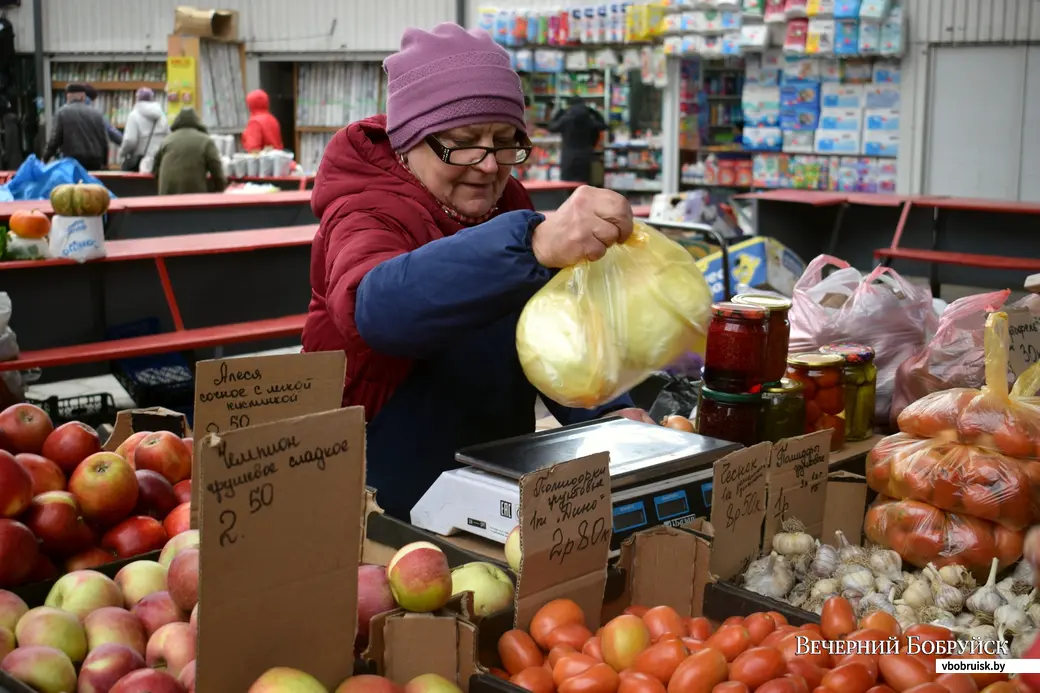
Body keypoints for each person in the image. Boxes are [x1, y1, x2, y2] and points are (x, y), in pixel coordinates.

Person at [301, 23, 653, 521]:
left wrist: (605, 411)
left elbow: (553, 330)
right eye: (465, 143)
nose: (488, 165)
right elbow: (377, 310)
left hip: (492, 483)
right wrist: (529, 244)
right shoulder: (364, 211)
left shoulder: (507, 202)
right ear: (408, 141)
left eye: (506, 142)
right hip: (379, 495)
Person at [152, 108, 226, 195]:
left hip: (166, 195)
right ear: (198, 122)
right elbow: (216, 169)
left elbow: (155, 168)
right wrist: (219, 188)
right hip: (194, 197)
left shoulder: (167, 140)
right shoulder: (206, 141)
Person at [43, 84, 109, 170]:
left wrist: (44, 159)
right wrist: (105, 163)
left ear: (68, 97)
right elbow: (104, 140)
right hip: (94, 162)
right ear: (83, 97)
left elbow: (54, 140)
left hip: (72, 162)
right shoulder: (97, 114)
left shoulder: (62, 113)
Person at [547, 96, 608, 184]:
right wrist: (593, 111)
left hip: (568, 156)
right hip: (585, 155)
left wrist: (560, 112)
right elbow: (604, 126)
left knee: (566, 184)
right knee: (583, 185)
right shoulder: (589, 120)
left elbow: (551, 127)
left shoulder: (566, 119)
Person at [118, 88, 169, 172]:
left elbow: (130, 140)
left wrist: (122, 152)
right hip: (159, 161)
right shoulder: (162, 116)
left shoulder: (134, 115)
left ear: (137, 99)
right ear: (152, 99)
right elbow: (167, 137)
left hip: (140, 161)